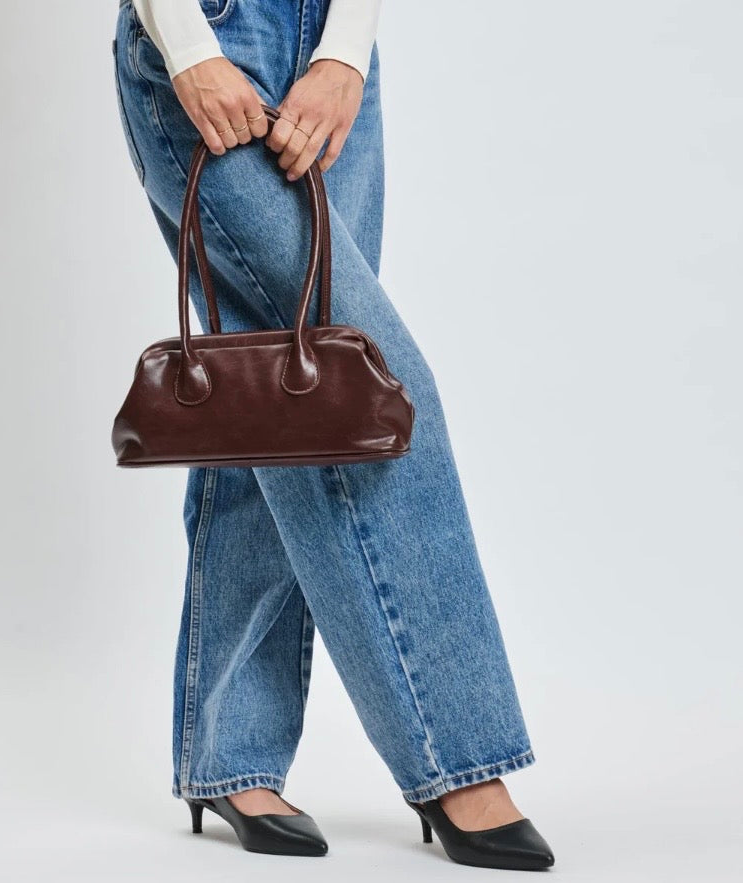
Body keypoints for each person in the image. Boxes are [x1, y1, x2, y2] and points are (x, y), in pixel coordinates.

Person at [111, 0, 555, 869]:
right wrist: (188, 45)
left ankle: (229, 756)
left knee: (287, 405)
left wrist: (345, 51)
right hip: (213, 39)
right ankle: (458, 759)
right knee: (370, 396)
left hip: (331, 57)